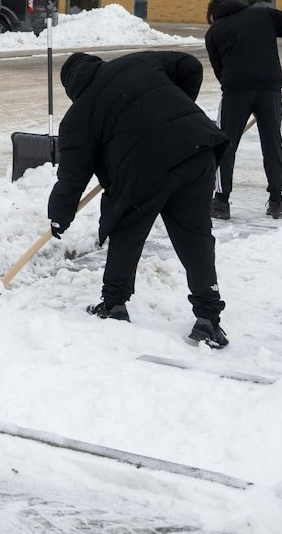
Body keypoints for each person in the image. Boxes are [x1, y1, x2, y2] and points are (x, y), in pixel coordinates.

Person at [47, 51, 231, 347]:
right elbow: (190, 66)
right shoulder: (138, 62)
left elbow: (71, 178)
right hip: (196, 149)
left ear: (72, 89)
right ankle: (208, 319)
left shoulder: (78, 116)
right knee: (195, 236)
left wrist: (59, 216)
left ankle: (114, 304)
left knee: (126, 232)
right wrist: (175, 111)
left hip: (142, 169)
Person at [204, 0, 282, 221]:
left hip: (236, 90)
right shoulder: (263, 14)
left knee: (224, 145)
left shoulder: (214, 31)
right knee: (272, 143)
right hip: (269, 89)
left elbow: (220, 71)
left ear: (212, 15)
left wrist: (237, 88)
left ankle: (221, 202)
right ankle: (276, 201)